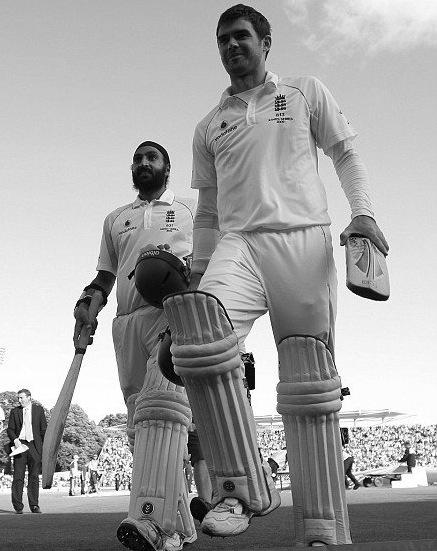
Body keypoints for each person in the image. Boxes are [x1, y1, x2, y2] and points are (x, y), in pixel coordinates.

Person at [162, 4, 389, 547]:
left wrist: (364, 212)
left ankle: (321, 529)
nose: (231, 46)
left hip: (304, 239)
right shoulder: (208, 124)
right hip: (238, 244)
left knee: (309, 382)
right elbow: (209, 211)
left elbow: (346, 154)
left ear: (266, 42)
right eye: (222, 40)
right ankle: (240, 487)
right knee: (196, 339)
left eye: (241, 36)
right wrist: (197, 275)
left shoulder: (305, 91)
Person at [73, 140, 196, 551]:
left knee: (162, 414)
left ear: (167, 167)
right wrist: (87, 304)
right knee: (138, 426)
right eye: (138, 159)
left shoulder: (190, 210)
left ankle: (154, 521)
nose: (144, 163)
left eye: (152, 158)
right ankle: (173, 526)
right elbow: (105, 275)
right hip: (125, 322)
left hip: (170, 313)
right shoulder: (115, 218)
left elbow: (209, 258)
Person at [6, 389, 47, 514]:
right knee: (18, 476)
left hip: (35, 446)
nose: (19, 400)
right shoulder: (15, 412)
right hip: (20, 445)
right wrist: (15, 439)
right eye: (18, 398)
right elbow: (10, 429)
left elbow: (44, 429)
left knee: (34, 477)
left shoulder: (39, 410)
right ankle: (18, 506)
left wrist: (44, 448)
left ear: (29, 397)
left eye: (21, 398)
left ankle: (34, 505)